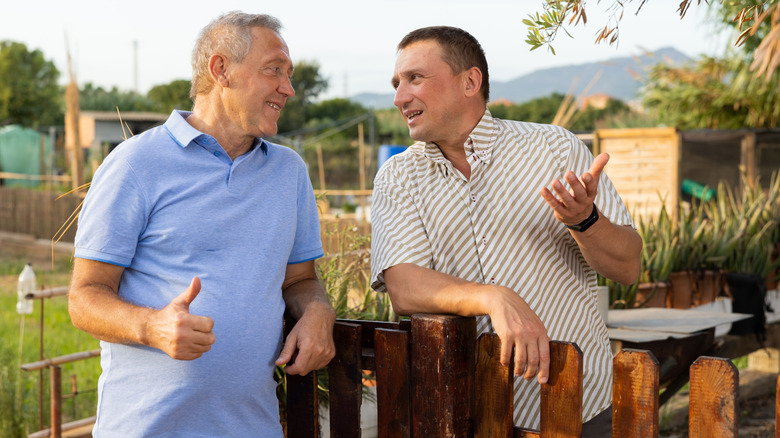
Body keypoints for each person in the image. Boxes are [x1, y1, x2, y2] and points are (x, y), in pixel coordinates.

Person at [68, 12, 336, 437]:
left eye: (289, 74)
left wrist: (319, 310)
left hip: (254, 427)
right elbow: (84, 297)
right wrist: (151, 327)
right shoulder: (135, 164)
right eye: (274, 71)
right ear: (221, 69)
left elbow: (300, 280)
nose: (288, 89)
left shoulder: (289, 172)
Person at [370, 26, 642, 435]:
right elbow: (403, 285)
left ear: (470, 81)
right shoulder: (398, 176)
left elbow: (628, 268)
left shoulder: (555, 148)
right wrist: (493, 298)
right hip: (468, 414)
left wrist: (584, 221)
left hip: (581, 407)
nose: (400, 97)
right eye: (396, 83)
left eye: (415, 78)